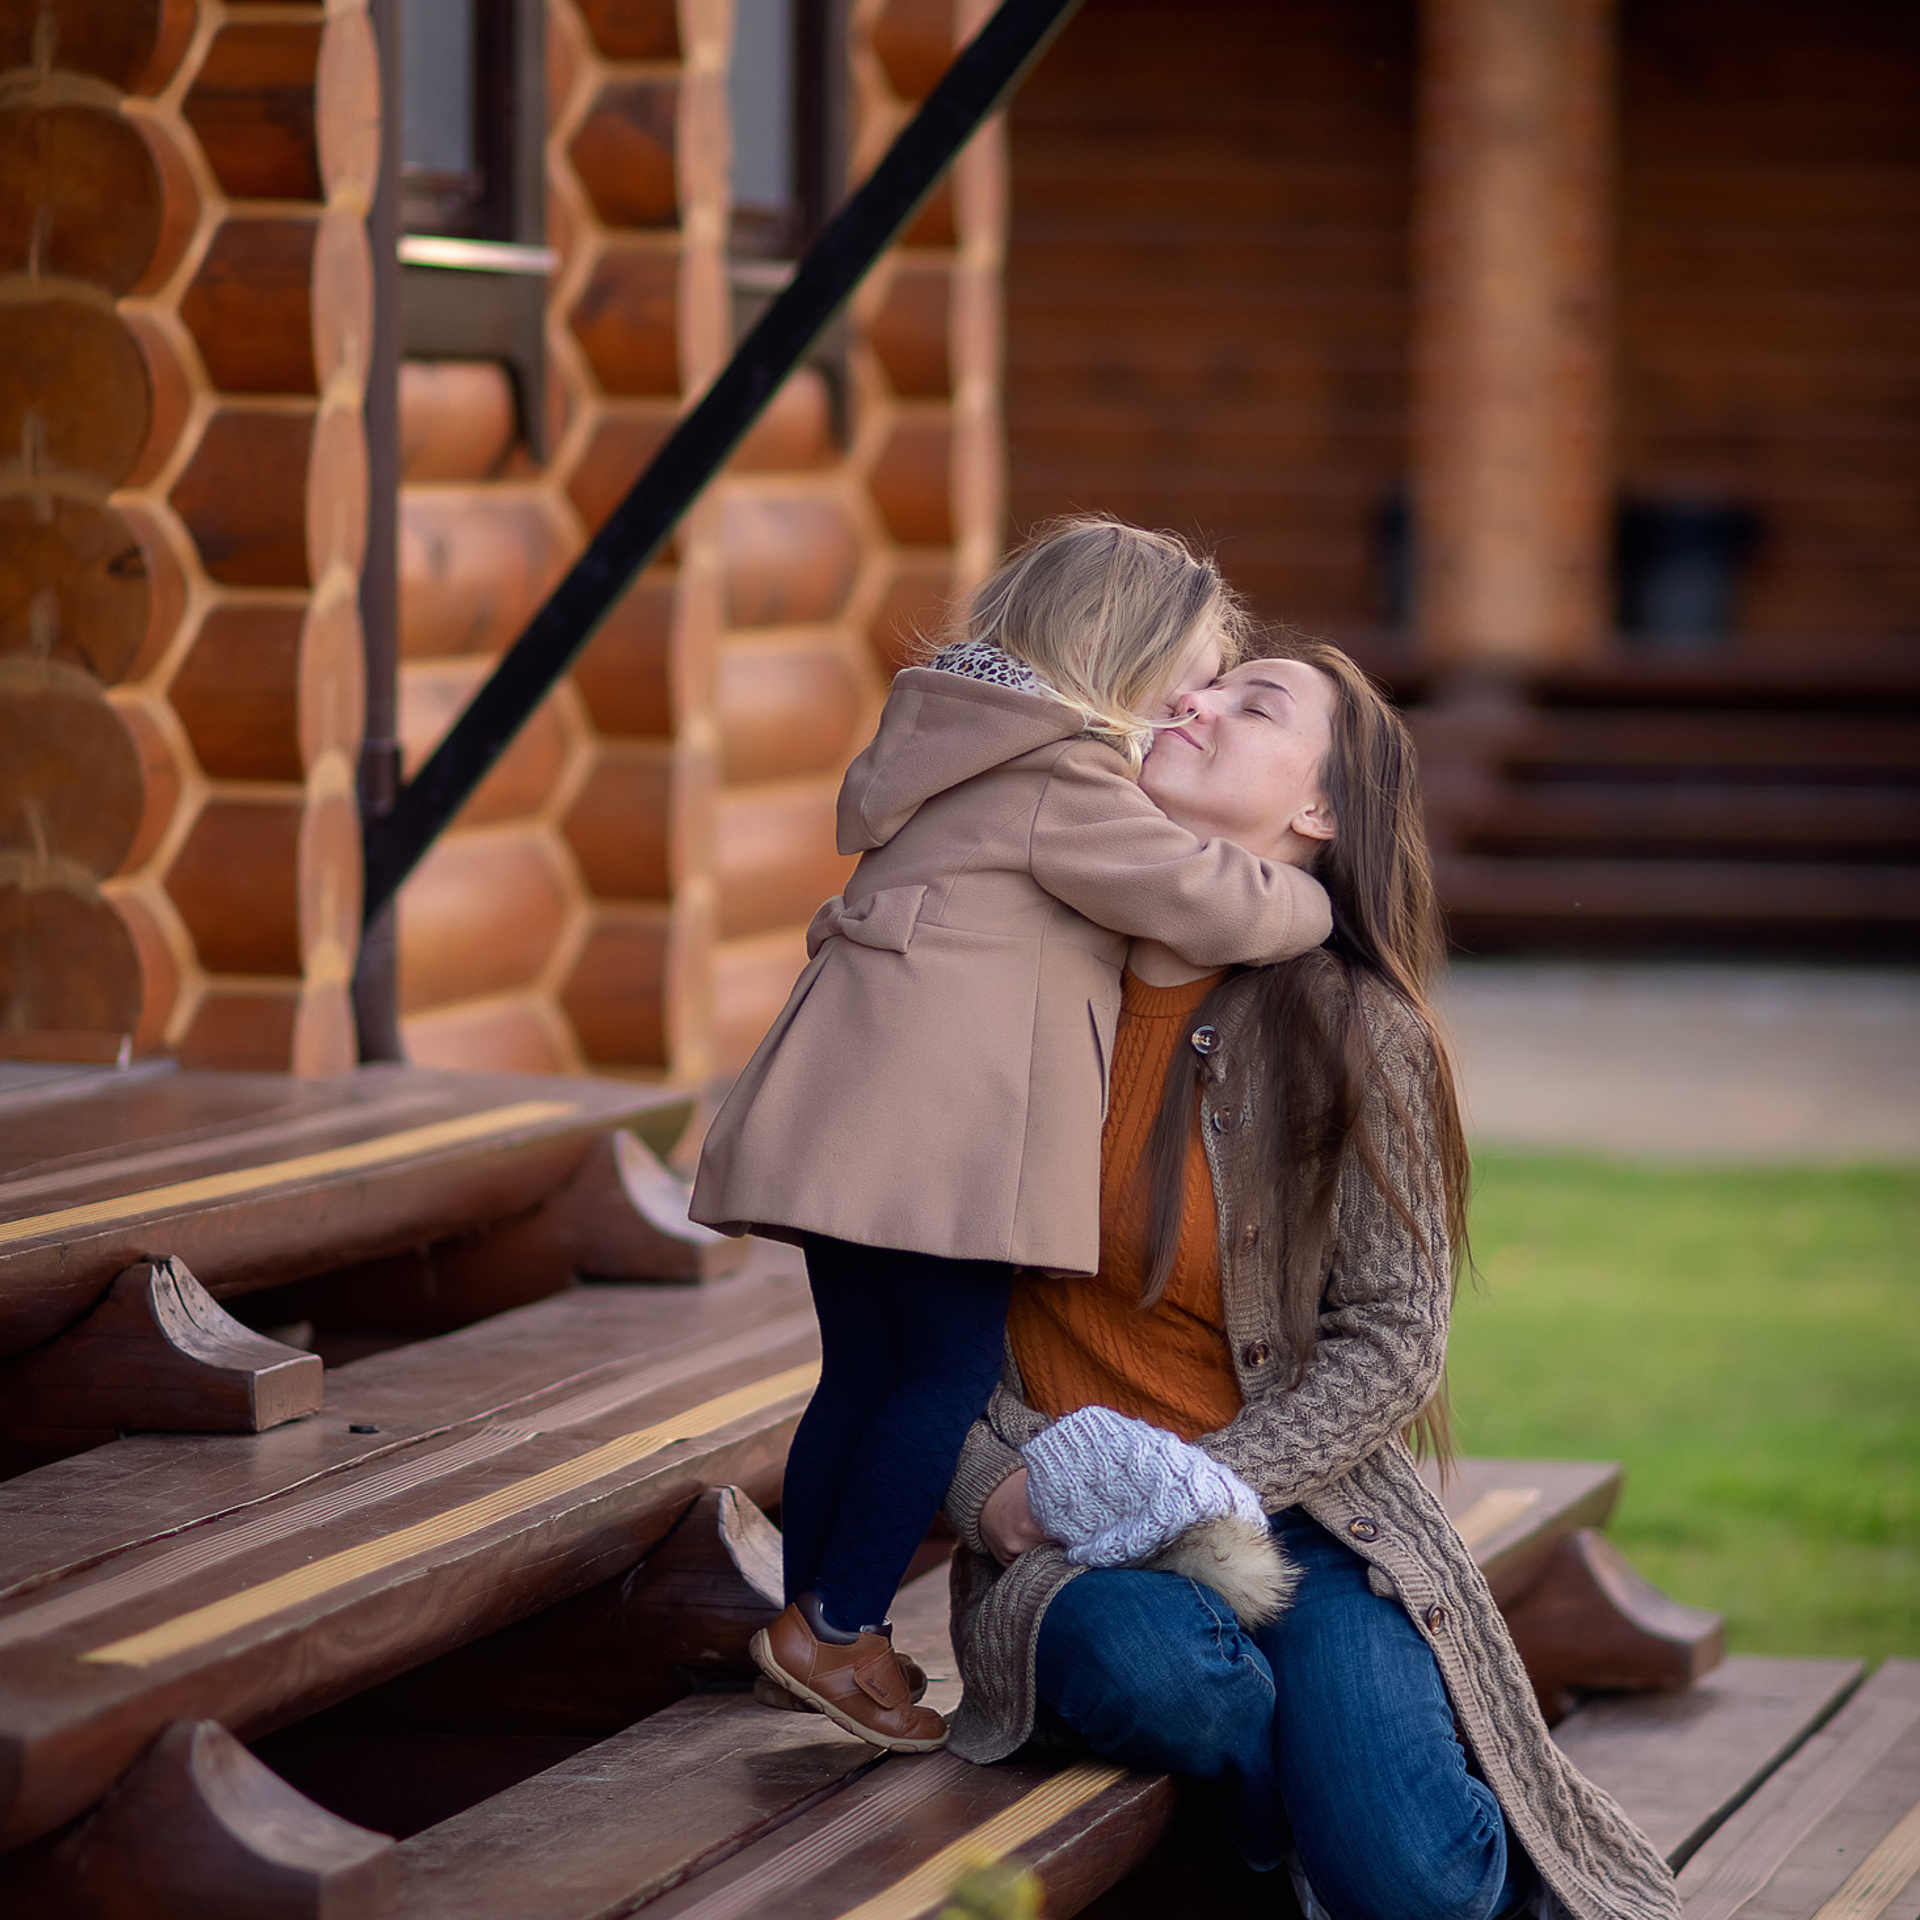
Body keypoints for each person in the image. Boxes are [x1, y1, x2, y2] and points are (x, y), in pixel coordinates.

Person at [942, 636, 1681, 1920]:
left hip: (1306, 1518)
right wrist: (990, 1487)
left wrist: (1219, 1490)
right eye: (1196, 685)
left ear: (1318, 811)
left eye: (1251, 700)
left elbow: (1395, 1336)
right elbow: (907, 1297)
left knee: (1416, 1885)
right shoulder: (1017, 989)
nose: (1194, 700)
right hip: (1071, 1537)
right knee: (1179, 1683)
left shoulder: (1358, 1033)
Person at [690, 520, 1335, 1753]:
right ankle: (837, 1624)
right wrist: (1311, 897)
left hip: (855, 1123)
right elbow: (1202, 895)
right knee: (937, 1379)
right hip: (945, 1145)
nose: (1191, 704)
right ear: (1116, 653)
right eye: (1185, 676)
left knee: (862, 1376)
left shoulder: (957, 738)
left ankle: (824, 1626)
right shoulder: (1062, 777)